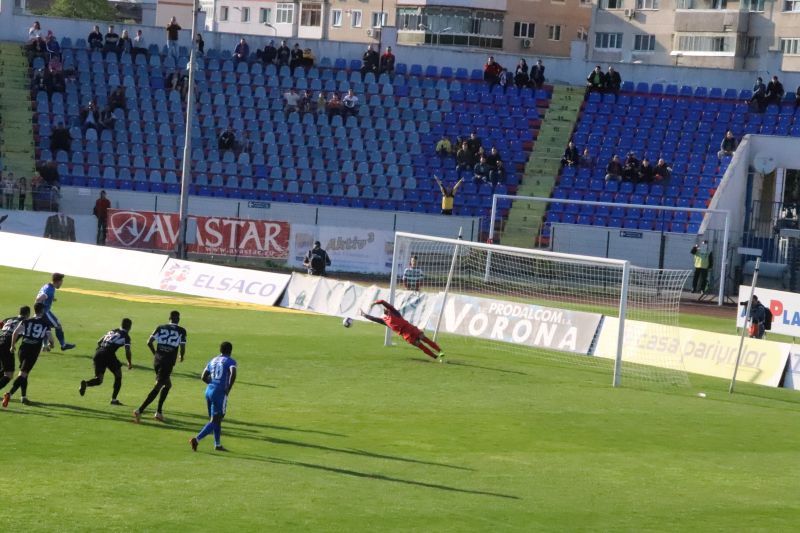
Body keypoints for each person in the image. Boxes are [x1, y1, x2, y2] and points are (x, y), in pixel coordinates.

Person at [133, 310, 187, 423]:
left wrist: (155, 354)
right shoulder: (181, 331)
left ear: (169, 318)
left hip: (157, 361)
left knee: (167, 385)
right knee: (158, 386)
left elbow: (149, 342)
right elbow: (182, 346)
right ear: (179, 319)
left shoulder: (160, 327)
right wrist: (181, 355)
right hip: (167, 362)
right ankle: (140, 410)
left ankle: (159, 412)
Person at [2, 303, 55, 407]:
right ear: (42, 311)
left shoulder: (26, 321)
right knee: (23, 374)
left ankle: (23, 397)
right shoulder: (45, 323)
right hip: (33, 351)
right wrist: (50, 345)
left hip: (22, 350)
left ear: (34, 310)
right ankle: (9, 394)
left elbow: (15, 332)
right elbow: (51, 339)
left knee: (24, 373)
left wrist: (12, 346)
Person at [189, 341, 237, 452]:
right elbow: (233, 372)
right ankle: (196, 439)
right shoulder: (230, 361)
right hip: (219, 393)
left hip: (209, 391)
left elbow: (203, 376)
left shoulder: (213, 360)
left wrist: (213, 383)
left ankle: (217, 444)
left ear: (220, 350)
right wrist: (228, 388)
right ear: (230, 351)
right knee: (216, 419)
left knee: (215, 419)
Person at [360, 300, 444, 361]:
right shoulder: (385, 321)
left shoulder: (395, 313)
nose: (385, 309)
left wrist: (374, 302)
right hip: (406, 335)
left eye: (386, 309)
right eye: (384, 310)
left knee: (424, 339)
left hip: (411, 329)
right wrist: (364, 315)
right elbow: (373, 319)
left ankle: (440, 351)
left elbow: (383, 302)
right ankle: (435, 357)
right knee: (420, 346)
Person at [79, 318, 133, 405]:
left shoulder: (112, 331)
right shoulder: (126, 336)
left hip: (98, 353)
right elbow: (127, 351)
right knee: (118, 376)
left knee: (99, 380)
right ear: (129, 327)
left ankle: (86, 383)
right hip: (108, 354)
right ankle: (114, 400)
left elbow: (99, 341)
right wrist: (129, 362)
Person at [35, 272, 75, 352]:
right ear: (58, 281)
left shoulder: (47, 286)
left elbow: (44, 296)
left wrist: (52, 299)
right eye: (61, 282)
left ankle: (44, 346)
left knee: (46, 327)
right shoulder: (49, 289)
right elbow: (39, 299)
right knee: (58, 326)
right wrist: (40, 307)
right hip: (45, 312)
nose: (62, 283)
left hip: (41, 312)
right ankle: (63, 345)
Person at [0, 306, 31, 394]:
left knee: (3, 370)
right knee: (8, 375)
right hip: (6, 346)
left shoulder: (9, 319)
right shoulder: (25, 322)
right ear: (28, 314)